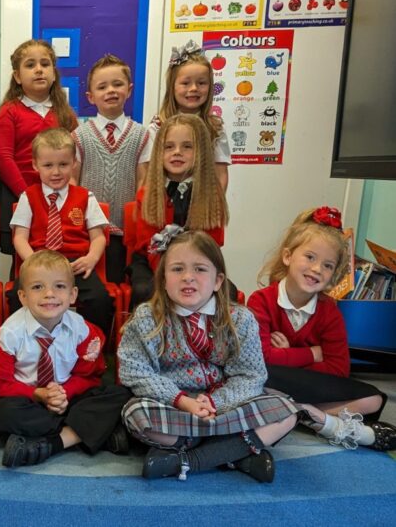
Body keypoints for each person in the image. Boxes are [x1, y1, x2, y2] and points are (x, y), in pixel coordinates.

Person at [118, 230, 299, 482]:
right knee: (138, 415)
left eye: (200, 269)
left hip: (225, 405)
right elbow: (134, 372)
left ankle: (189, 459)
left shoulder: (240, 319)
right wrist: (181, 401)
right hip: (173, 406)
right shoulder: (147, 318)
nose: (188, 277)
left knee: (287, 411)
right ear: (162, 279)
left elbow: (250, 375)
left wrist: (215, 404)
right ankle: (238, 451)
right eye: (177, 269)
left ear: (217, 280)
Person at [248, 207, 395, 450]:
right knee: (257, 377)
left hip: (307, 384)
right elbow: (261, 358)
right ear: (288, 256)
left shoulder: (329, 312)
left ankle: (301, 412)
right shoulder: (261, 300)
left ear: (334, 273)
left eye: (327, 265)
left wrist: (286, 354)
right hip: (271, 378)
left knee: (375, 399)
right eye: (310, 257)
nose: (317, 269)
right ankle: (320, 420)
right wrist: (312, 354)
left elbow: (338, 369)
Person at [0, 250, 131, 467]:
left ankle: (54, 441)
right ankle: (88, 433)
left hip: (68, 397)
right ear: (22, 296)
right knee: (4, 413)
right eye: (37, 287)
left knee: (119, 394)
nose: (49, 293)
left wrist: (64, 394)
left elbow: (89, 376)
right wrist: (39, 394)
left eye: (59, 286)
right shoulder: (8, 335)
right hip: (28, 399)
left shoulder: (83, 331)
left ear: (73, 294)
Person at [8, 128, 114, 341]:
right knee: (15, 296)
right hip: (40, 261)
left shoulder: (85, 197)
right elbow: (20, 236)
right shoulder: (28, 197)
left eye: (63, 165)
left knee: (100, 298)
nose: (56, 172)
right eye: (48, 165)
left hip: (75, 264)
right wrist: (33, 261)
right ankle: (22, 345)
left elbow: (99, 236)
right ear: (35, 165)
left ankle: (91, 346)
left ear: (74, 163)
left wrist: (91, 259)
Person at [128, 114, 228, 309]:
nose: (177, 152)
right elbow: (147, 244)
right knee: (144, 290)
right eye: (169, 147)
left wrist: (190, 273)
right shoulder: (148, 193)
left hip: (198, 263)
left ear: (201, 153)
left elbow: (213, 244)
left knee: (224, 293)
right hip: (153, 262)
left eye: (187, 146)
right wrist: (173, 275)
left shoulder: (212, 195)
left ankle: (204, 337)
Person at [0, 39, 78, 254]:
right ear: (18, 76)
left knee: (59, 253)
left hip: (57, 194)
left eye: (45, 64)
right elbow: (4, 157)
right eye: (30, 65)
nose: (39, 70)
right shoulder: (9, 111)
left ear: (54, 72)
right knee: (23, 259)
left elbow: (75, 154)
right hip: (17, 194)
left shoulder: (64, 112)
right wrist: (27, 195)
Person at [71, 54, 150, 283]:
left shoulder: (142, 135)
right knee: (94, 290)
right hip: (88, 232)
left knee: (120, 286)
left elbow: (143, 182)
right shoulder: (79, 135)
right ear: (91, 96)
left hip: (126, 234)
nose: (111, 91)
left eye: (118, 84)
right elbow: (73, 183)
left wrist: (136, 223)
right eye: (102, 87)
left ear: (129, 89)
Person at [138, 40, 230, 192]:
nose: (194, 88)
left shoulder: (215, 127)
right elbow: (149, 171)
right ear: (172, 87)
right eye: (185, 83)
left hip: (202, 201)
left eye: (201, 83)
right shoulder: (158, 125)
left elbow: (220, 173)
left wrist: (216, 207)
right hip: (165, 201)